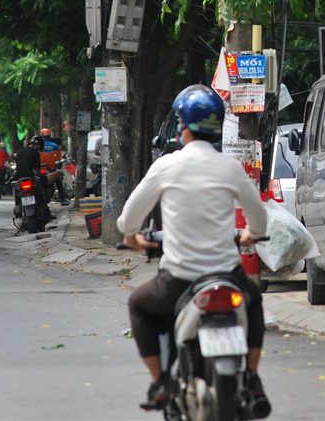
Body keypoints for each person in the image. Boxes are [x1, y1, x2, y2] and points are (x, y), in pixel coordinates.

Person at [117, 85, 269, 410]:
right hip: (228, 275)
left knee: (138, 305)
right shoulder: (230, 166)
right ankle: (253, 380)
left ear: (183, 126)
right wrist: (249, 235)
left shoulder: (167, 165)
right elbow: (259, 220)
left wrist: (132, 238)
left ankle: (160, 382)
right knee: (254, 305)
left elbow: (128, 220)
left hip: (179, 279)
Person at [39, 128, 70, 206]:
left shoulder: (38, 145)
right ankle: (62, 199)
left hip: (38, 169)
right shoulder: (54, 146)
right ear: (49, 136)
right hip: (50, 169)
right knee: (58, 180)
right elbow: (58, 158)